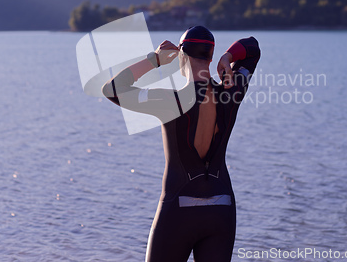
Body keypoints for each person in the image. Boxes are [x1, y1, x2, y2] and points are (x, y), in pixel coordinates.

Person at [102, 26, 260, 262]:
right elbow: (252, 48)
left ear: (182, 57)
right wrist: (228, 57)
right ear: (210, 57)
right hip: (222, 207)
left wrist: (154, 60)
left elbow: (112, 89)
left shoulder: (170, 101)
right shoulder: (232, 91)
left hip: (179, 208)